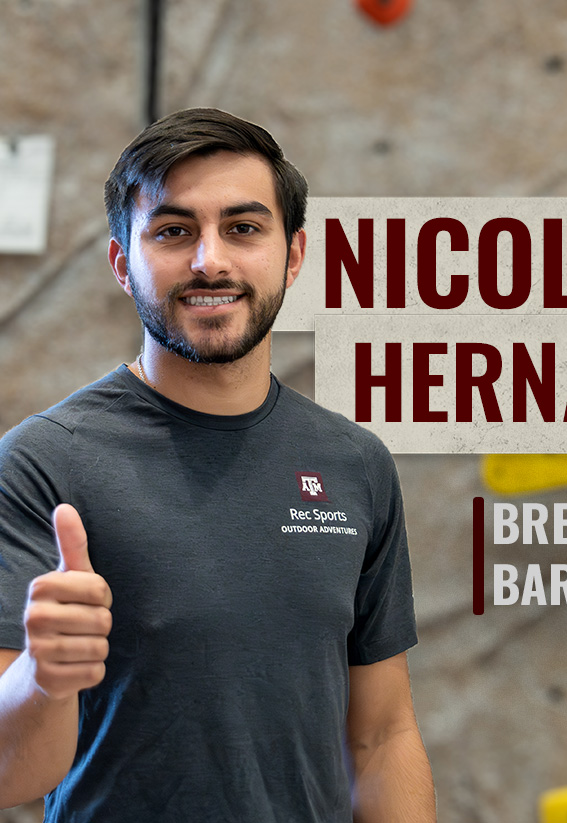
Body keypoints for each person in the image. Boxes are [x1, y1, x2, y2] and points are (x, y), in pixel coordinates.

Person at [0, 108, 436, 822]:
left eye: (243, 227)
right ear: (121, 263)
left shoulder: (354, 463)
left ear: (292, 256)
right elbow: (9, 774)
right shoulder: (44, 464)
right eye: (173, 231)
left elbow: (381, 734)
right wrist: (44, 682)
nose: (210, 260)